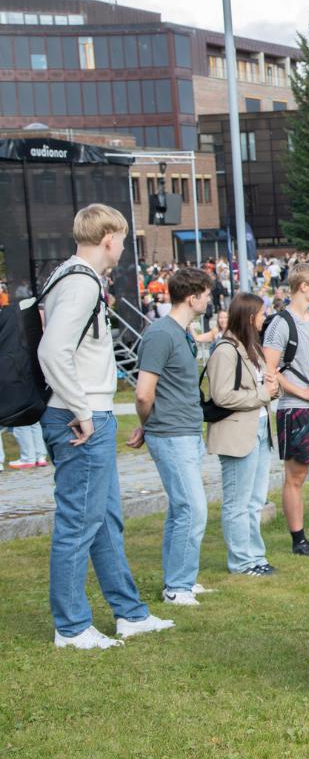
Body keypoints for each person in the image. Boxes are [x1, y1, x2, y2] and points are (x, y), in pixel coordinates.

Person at [39, 204, 173, 648]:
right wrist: (80, 408)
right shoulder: (79, 282)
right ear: (110, 237)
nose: (123, 246)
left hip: (86, 410)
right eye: (122, 237)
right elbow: (52, 350)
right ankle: (72, 626)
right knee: (79, 523)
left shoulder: (70, 277)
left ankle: (129, 613)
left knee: (103, 520)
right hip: (80, 414)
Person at [132, 267, 215, 607]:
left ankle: (181, 578)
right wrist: (146, 424)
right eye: (207, 294)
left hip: (187, 432)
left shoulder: (182, 332)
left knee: (182, 509)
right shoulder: (161, 334)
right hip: (171, 433)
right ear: (192, 297)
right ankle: (177, 587)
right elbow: (142, 393)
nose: (209, 300)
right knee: (193, 509)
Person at [263, 263, 309, 557]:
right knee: (296, 475)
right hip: (295, 408)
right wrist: (300, 391)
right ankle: (298, 539)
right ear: (303, 286)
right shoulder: (281, 323)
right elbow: (270, 369)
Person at [208, 292, 280, 576]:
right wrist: (264, 393)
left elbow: (264, 387)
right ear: (250, 317)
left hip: (261, 428)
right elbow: (222, 395)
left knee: (255, 499)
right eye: (262, 314)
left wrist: (273, 387)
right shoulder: (226, 351)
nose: (265, 319)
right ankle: (241, 561)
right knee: (238, 501)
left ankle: (255, 556)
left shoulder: (254, 349)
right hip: (238, 434)